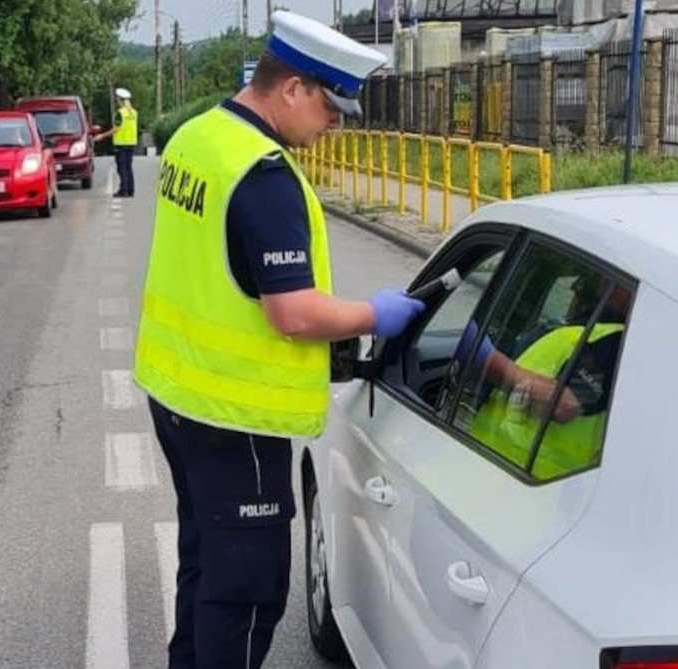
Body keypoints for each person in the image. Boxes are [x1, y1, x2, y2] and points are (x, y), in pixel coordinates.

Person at [132, 10, 426, 669]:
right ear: (292, 88)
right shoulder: (264, 176)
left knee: (204, 563)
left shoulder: (196, 135)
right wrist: (374, 315)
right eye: (331, 108)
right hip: (235, 419)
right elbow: (292, 312)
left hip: (176, 394)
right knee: (247, 592)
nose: (334, 127)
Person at [457, 281, 630, 478]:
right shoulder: (587, 326)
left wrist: (482, 356)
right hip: (492, 463)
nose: (576, 287)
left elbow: (563, 404)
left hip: (529, 479)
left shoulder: (613, 344)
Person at [95, 87, 138, 197]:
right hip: (131, 143)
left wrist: (102, 136)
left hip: (121, 144)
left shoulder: (120, 113)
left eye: (117, 99)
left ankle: (123, 190)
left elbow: (116, 129)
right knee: (129, 167)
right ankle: (130, 190)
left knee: (121, 168)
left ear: (120, 100)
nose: (116, 101)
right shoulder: (133, 113)